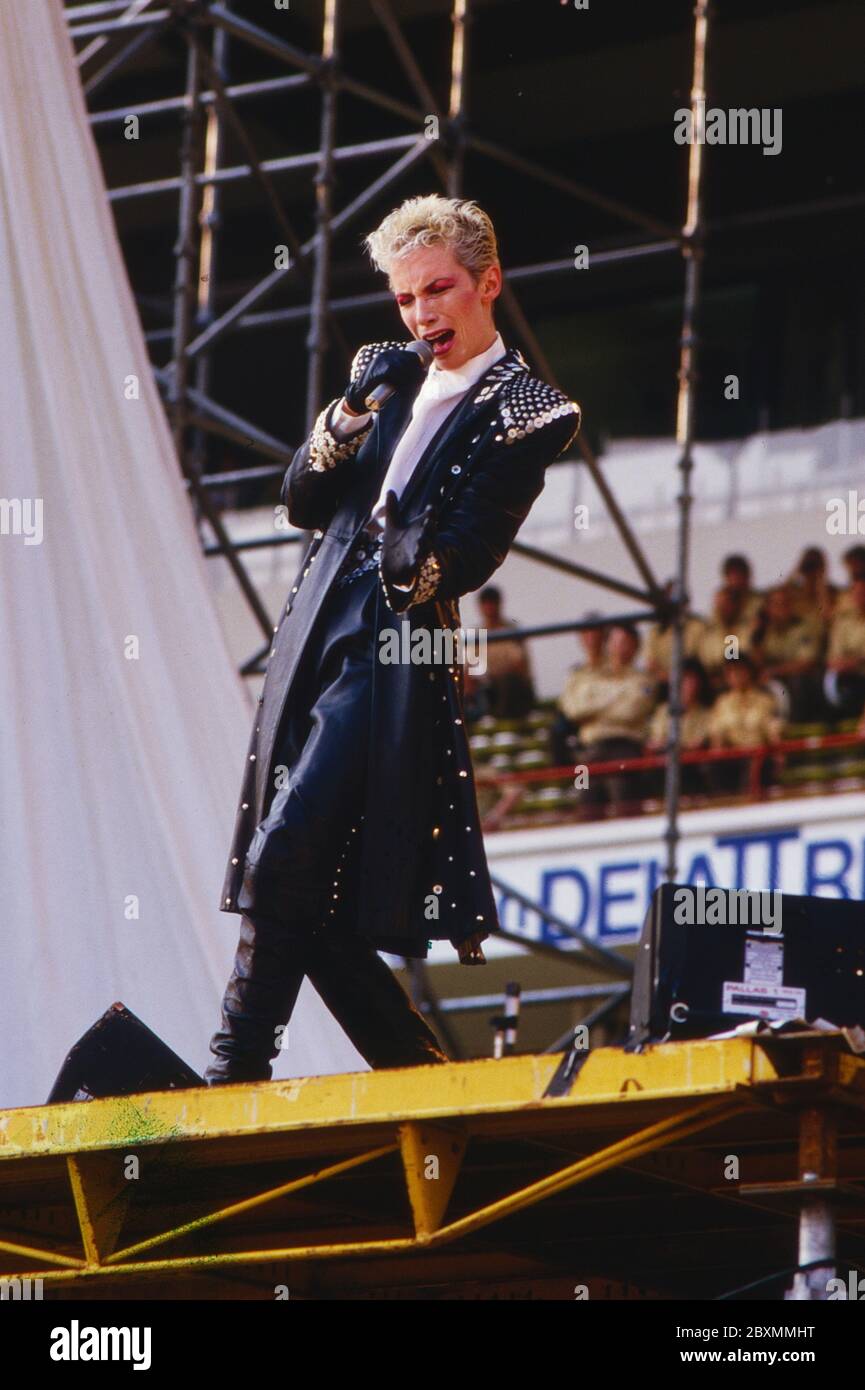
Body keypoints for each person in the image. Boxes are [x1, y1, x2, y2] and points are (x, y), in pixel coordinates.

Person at [206, 194, 581, 1084]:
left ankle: (233, 1068)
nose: (421, 315)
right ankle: (420, 1076)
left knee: (284, 851)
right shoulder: (382, 372)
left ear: (487, 283)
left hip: (399, 641)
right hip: (312, 627)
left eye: (439, 291)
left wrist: (411, 560)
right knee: (312, 902)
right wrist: (344, 422)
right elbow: (299, 499)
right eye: (407, 298)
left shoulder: (528, 406)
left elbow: (473, 549)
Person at [560, 623, 657, 815]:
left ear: (635, 647)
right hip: (589, 750)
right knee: (586, 807)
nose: (619, 647)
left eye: (625, 642)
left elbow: (631, 710)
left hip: (624, 748)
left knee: (625, 807)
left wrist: (595, 708)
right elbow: (573, 710)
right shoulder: (587, 675)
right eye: (615, 641)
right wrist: (617, 698)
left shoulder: (644, 680)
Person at [706, 655, 783, 793]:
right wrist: (718, 752)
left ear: (748, 673)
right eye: (731, 672)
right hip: (733, 757)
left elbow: (773, 730)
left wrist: (779, 756)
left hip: (758, 757)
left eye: (740, 671)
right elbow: (716, 734)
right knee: (714, 767)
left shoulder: (764, 701)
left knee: (755, 766)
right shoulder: (722, 703)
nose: (736, 676)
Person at [750, 583, 824, 721]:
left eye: (786, 603)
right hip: (776, 681)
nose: (782, 608)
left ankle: (799, 725)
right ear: (768, 609)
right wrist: (756, 637)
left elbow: (807, 662)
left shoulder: (803, 626)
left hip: (803, 679)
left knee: (799, 682)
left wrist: (774, 671)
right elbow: (757, 666)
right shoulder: (765, 631)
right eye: (777, 604)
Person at [464, 585, 535, 719]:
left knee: (508, 683)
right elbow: (469, 671)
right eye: (486, 604)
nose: (489, 608)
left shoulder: (512, 632)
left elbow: (520, 667)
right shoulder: (476, 635)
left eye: (492, 603)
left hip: (512, 691)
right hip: (487, 690)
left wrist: (492, 677)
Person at [645, 657, 713, 795]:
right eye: (683, 679)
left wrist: (679, 746)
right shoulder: (663, 711)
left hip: (692, 769)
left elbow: (698, 745)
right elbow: (655, 742)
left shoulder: (708, 714)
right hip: (664, 768)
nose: (688, 684)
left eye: (691, 679)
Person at [550, 613, 608, 768]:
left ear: (604, 636)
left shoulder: (612, 670)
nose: (592, 638)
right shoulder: (575, 672)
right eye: (587, 633)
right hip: (579, 724)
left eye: (596, 633)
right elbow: (567, 705)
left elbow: (607, 701)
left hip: (602, 726)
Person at [694, 585, 755, 692]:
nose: (722, 609)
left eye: (727, 604)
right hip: (714, 683)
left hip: (744, 680)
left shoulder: (748, 629)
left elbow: (745, 654)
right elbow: (706, 662)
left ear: (737, 605)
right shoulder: (709, 634)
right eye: (719, 604)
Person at [824, 576, 865, 718]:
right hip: (848, 675)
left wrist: (856, 661)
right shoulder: (843, 620)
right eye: (857, 593)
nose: (861, 597)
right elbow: (833, 657)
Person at [789, 546, 838, 627]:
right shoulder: (794, 593)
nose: (811, 572)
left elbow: (827, 618)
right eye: (809, 567)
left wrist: (821, 587)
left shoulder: (833, 594)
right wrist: (796, 572)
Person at [720, 554, 763, 625]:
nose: (735, 581)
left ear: (747, 576)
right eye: (732, 576)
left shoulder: (760, 602)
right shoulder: (722, 601)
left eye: (739, 575)